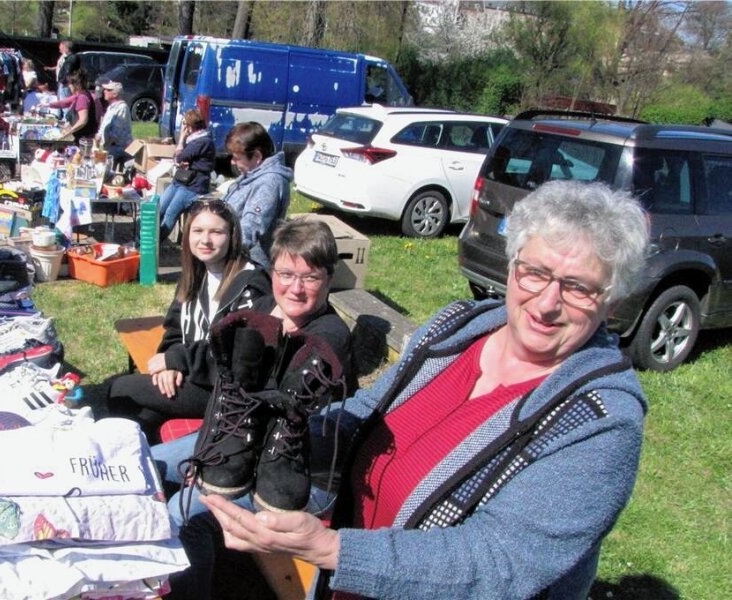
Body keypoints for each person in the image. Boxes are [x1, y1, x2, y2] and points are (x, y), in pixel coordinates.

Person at [200, 180, 651, 600]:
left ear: (610, 302)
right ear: (512, 267)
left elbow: (499, 560)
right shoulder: (458, 327)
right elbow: (373, 408)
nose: (548, 303)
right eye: (535, 272)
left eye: (578, 288)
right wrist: (278, 423)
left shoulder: (600, 419)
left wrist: (336, 550)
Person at [149, 216, 354, 528]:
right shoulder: (263, 308)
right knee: (149, 464)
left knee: (183, 510)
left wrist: (215, 466)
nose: (295, 289)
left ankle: (184, 573)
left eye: (309, 278)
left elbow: (288, 430)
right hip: (242, 442)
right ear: (272, 272)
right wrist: (211, 448)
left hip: (298, 476)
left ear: (328, 278)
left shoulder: (326, 341)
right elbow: (226, 375)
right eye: (286, 274)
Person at [107, 199, 271, 445]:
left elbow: (236, 356)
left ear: (232, 236)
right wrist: (169, 363)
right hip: (194, 373)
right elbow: (174, 328)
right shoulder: (196, 272)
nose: (205, 240)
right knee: (144, 416)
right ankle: (146, 468)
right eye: (198, 230)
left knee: (119, 389)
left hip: (224, 389)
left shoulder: (250, 285)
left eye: (216, 232)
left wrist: (177, 360)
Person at [223, 122, 293, 268]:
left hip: (250, 265)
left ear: (256, 156)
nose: (232, 162)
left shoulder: (269, 183)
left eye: (236, 157)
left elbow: (251, 227)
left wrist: (221, 251)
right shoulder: (252, 173)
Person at [158, 109, 216, 239]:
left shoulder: (202, 141)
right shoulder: (194, 140)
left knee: (170, 214)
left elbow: (179, 157)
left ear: (190, 126)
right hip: (180, 180)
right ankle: (145, 238)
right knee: (159, 209)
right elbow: (179, 158)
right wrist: (181, 158)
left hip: (193, 186)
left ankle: (153, 245)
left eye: (184, 124)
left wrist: (181, 141)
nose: (183, 127)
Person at [40, 70, 100, 142]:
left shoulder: (82, 98)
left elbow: (83, 120)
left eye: (70, 84)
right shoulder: (81, 94)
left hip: (83, 137)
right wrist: (48, 105)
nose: (69, 86)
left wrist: (69, 132)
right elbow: (65, 102)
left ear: (76, 85)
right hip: (81, 135)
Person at [94, 79, 132, 166]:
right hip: (109, 146)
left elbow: (116, 135)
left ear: (115, 94)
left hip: (119, 147)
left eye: (108, 90)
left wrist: (101, 141)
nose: (105, 91)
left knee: (98, 161)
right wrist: (98, 136)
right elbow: (104, 127)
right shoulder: (111, 107)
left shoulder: (122, 108)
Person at [46, 40, 79, 105]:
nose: (60, 49)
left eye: (62, 47)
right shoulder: (69, 58)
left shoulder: (71, 58)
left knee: (65, 103)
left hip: (65, 83)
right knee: (62, 101)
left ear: (66, 48)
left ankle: (67, 115)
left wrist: (65, 82)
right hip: (63, 82)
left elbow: (68, 71)